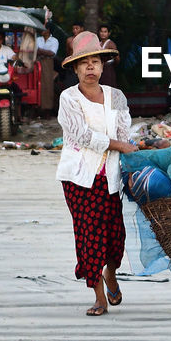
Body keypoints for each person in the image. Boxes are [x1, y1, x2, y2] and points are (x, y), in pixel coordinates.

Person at [56, 30, 138, 317]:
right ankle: (99, 297)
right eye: (84, 63)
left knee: (115, 238)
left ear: (103, 67)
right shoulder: (69, 98)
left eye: (95, 62)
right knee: (89, 236)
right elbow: (81, 135)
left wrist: (129, 149)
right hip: (79, 179)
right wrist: (120, 145)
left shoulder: (116, 97)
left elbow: (125, 130)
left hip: (110, 178)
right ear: (76, 68)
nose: (90, 67)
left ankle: (111, 273)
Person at [35, 26, 59, 113]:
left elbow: (52, 53)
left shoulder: (54, 40)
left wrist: (40, 50)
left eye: (44, 29)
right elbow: (35, 51)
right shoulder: (38, 39)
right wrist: (45, 52)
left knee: (48, 85)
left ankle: (47, 109)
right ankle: (38, 108)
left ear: (49, 30)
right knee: (37, 84)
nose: (42, 30)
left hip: (48, 64)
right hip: (37, 63)